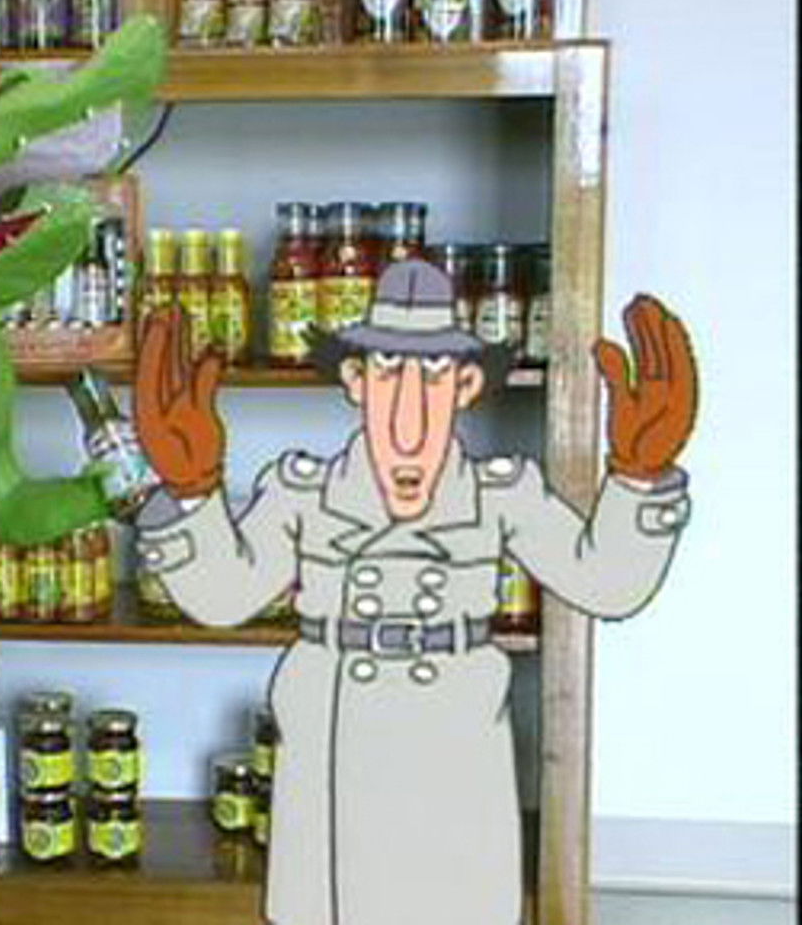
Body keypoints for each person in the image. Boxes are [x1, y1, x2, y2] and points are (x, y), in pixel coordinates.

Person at [132, 259, 697, 925]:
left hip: (452, 750)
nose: (409, 420)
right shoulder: (301, 492)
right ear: (354, 381)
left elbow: (607, 582)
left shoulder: (501, 493)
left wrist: (640, 478)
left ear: (466, 386)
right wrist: (192, 492)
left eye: (433, 377)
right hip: (331, 754)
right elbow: (223, 598)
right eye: (387, 373)